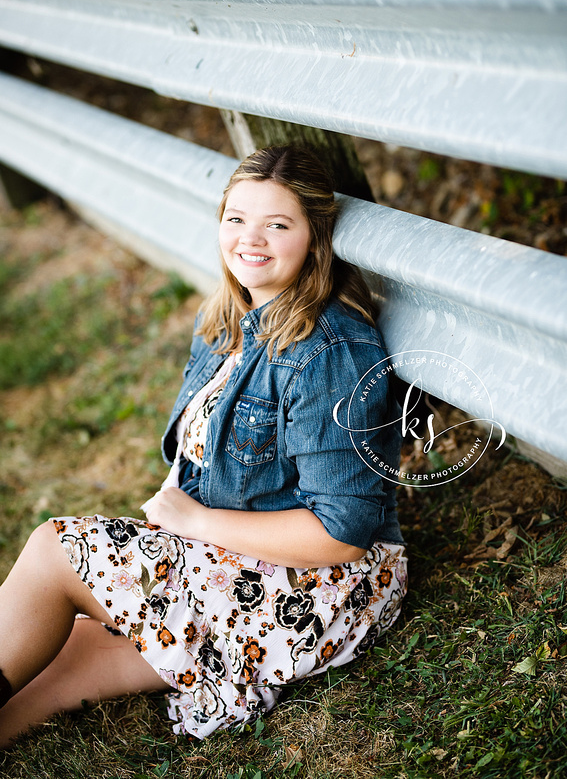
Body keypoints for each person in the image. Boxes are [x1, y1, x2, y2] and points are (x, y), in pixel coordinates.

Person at [0, 145, 407, 745]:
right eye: (237, 218)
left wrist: (193, 520)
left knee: (54, 553)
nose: (251, 238)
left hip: (323, 589)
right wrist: (177, 514)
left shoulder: (330, 351)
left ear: (316, 239)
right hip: (244, 558)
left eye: (278, 223)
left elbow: (341, 534)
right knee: (70, 642)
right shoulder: (225, 321)